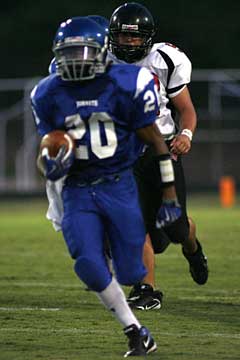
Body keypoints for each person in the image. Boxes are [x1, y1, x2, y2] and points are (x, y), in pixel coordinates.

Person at [31, 16, 182, 356]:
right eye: (68, 55)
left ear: (101, 53)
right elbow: (47, 145)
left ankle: (125, 279)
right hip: (78, 188)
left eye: (83, 53)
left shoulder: (127, 83)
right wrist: (48, 160)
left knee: (131, 272)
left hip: (119, 185)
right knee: (87, 263)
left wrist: (169, 194)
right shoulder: (48, 93)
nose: (76, 61)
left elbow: (157, 142)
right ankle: (136, 331)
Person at [108, 2, 209, 311]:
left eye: (135, 38)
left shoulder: (164, 59)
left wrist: (186, 135)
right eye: (123, 37)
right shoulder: (102, 60)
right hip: (123, 152)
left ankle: (192, 248)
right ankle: (147, 289)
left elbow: (187, 110)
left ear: (148, 38)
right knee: (133, 224)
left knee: (175, 230)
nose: (128, 43)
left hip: (160, 150)